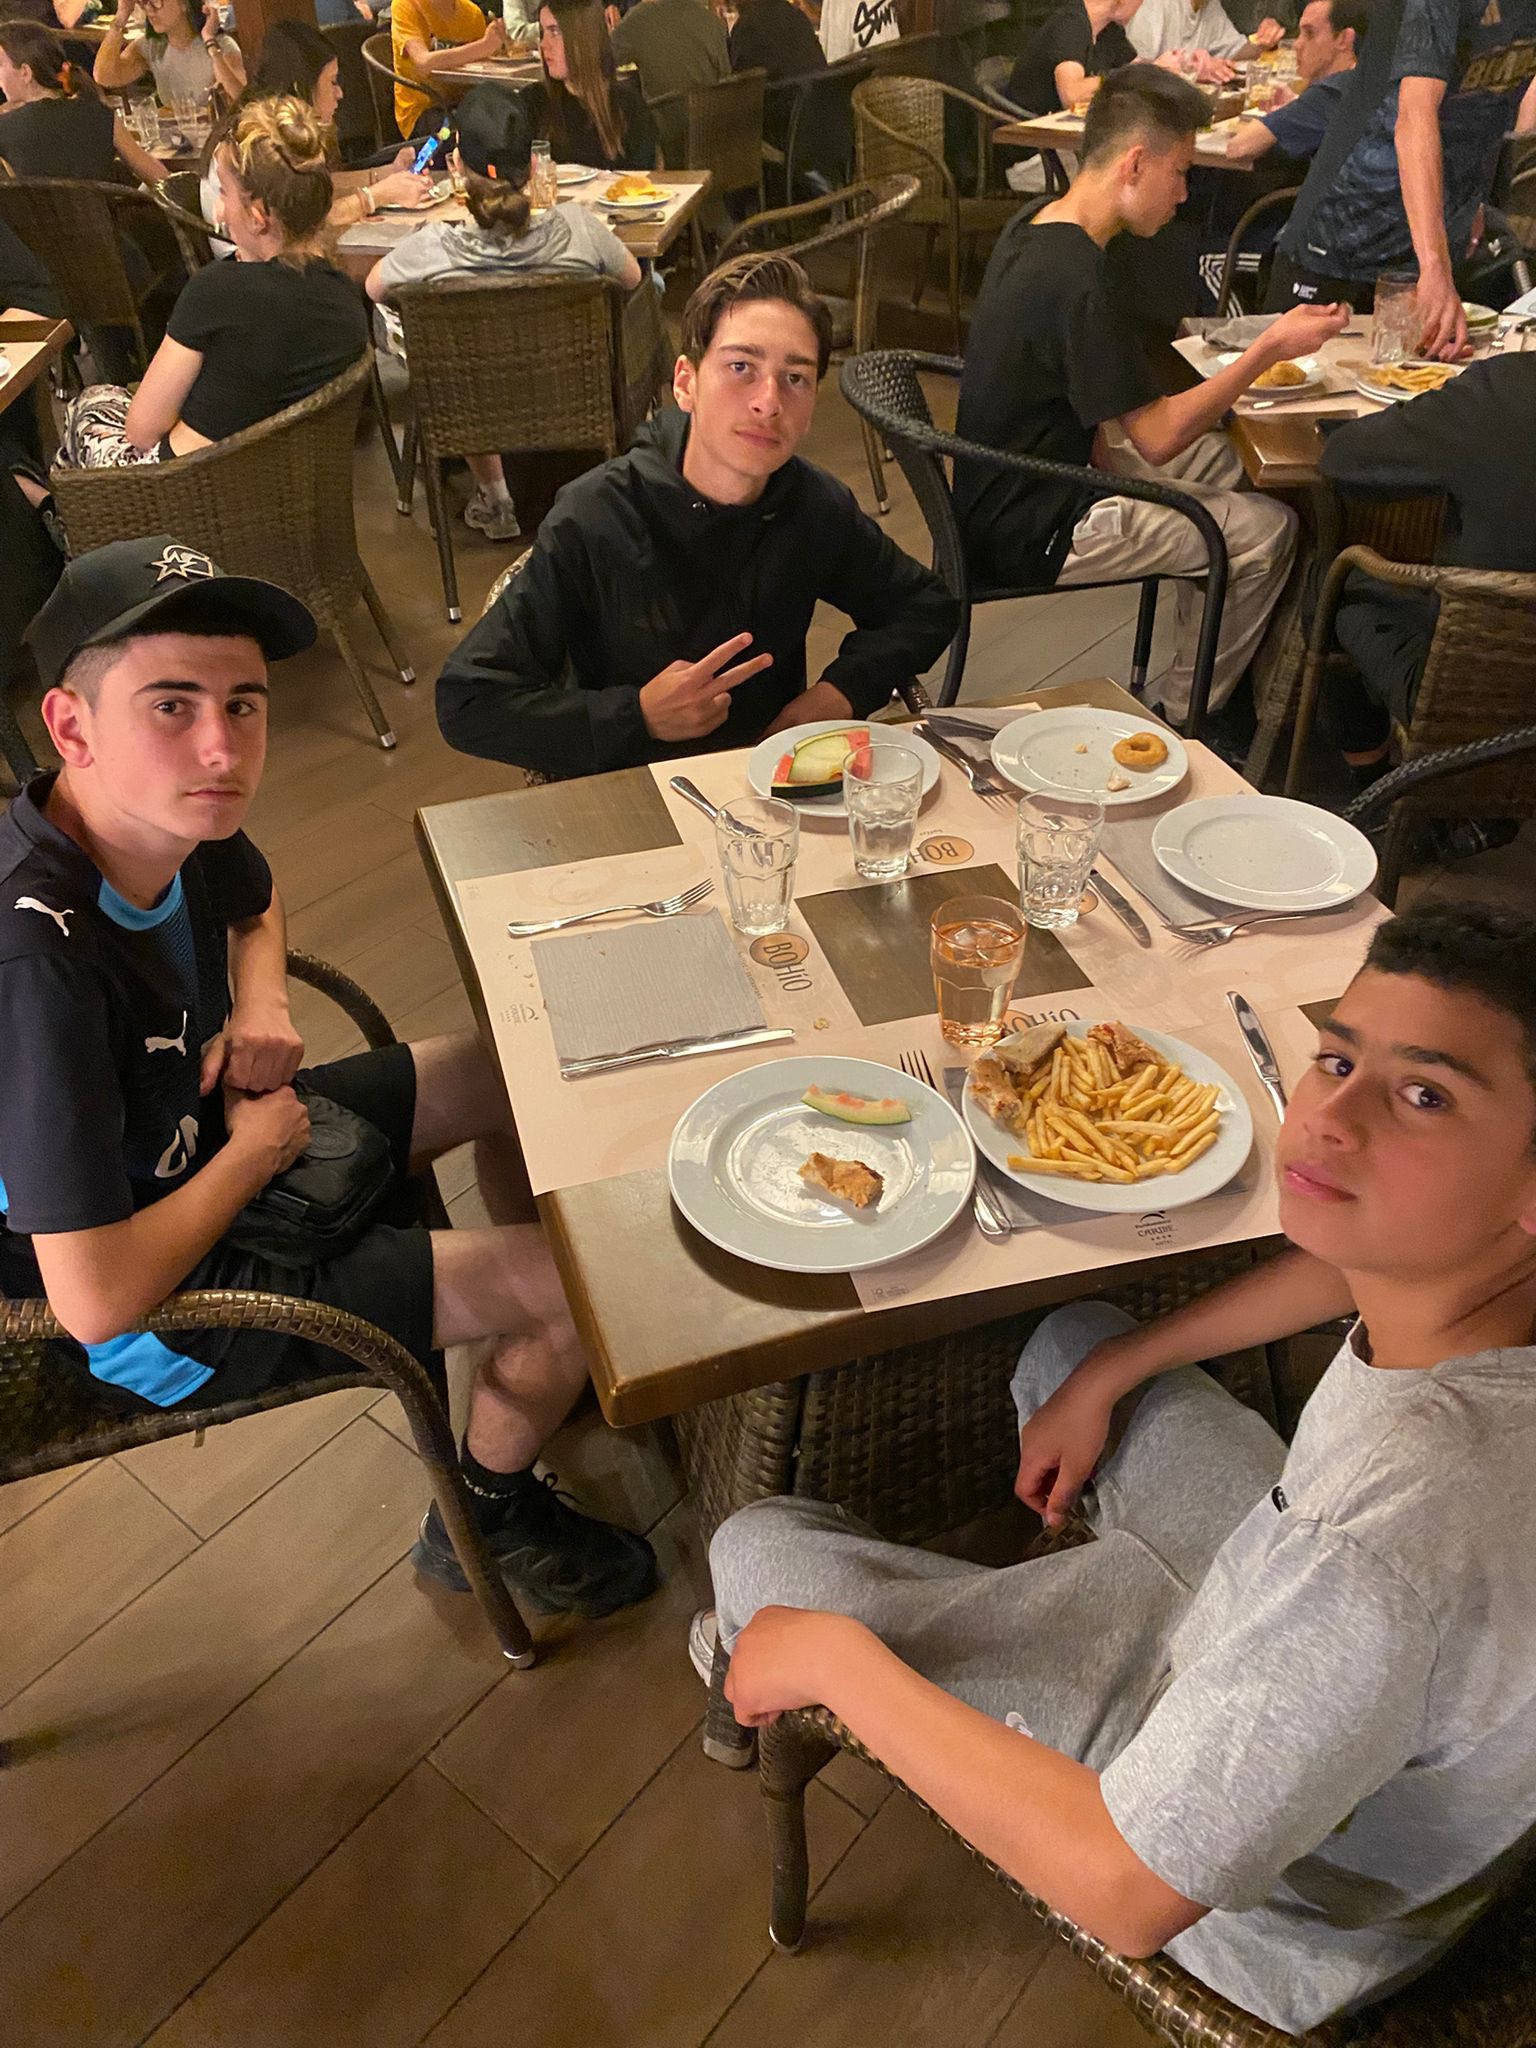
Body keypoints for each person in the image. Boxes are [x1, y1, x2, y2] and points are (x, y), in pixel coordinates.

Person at [707, 897, 1536, 2038]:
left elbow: (1127, 1890)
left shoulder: (1384, 1551)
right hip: (1288, 1633)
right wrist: (1113, 1374)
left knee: (756, 1551)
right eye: (1340, 1059)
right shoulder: (1478, 1283)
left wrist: (840, 1665)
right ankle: (1062, 1545)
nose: (1329, 1118)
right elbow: (1346, 1270)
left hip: (1256, 1892)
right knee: (1082, 1343)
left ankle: (773, 1660)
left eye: (1425, 1095)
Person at [0, 534, 659, 1621]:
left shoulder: (160, 813)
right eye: (171, 706)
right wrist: (253, 1155)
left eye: (243, 704)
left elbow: (256, 901)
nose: (222, 746)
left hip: (213, 1140)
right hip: (157, 1301)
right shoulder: (37, 968)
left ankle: (533, 1342)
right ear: (71, 727)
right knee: (578, 1279)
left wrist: (262, 1001)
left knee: (510, 1070)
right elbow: (94, 1299)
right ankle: (484, 1513)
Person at [436, 252, 957, 778]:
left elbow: (924, 606)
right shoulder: (596, 515)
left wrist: (839, 693)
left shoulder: (813, 505)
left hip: (767, 785)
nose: (769, 402)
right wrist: (638, 715)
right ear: (685, 383)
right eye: (741, 367)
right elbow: (468, 702)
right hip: (628, 785)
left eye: (795, 377)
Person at [955, 65, 1345, 725]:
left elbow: (1092, 412)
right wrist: (1267, 349)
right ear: (1135, 163)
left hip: (1019, 481)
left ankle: (1223, 666)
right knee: (1267, 532)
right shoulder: (1079, 278)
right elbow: (1158, 438)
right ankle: (1185, 716)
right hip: (1034, 523)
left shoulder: (1035, 225)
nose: (1184, 194)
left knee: (1232, 462)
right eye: (1181, 172)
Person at [366, 85, 642, 542]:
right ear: (533, 166)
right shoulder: (581, 230)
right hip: (573, 399)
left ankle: (495, 497)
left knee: (424, 340)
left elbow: (374, 288)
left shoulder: (430, 250)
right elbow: (632, 281)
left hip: (474, 407)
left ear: (457, 167)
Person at [60, 96, 368, 468]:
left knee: (87, 406)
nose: (219, 212)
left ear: (258, 217)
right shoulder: (345, 295)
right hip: (288, 481)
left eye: (223, 192)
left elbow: (142, 432)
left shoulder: (217, 290)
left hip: (186, 485)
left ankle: (59, 504)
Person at [1312, 350, 1536, 781]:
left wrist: (1435, 412)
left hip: (1474, 696)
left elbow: (1343, 460)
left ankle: (1373, 784)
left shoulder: (1503, 390)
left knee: (1328, 580)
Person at [1265, 0, 1536, 356]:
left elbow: (1495, 107)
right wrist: (1434, 266)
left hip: (1432, 236)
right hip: (1346, 233)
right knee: (1302, 383)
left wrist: (1473, 199)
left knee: (1420, 384)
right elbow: (1414, 116)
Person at [196, 19, 432, 246]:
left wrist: (385, 174)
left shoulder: (269, 123)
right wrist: (377, 195)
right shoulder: (260, 140)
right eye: (332, 82)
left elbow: (313, 186)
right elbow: (303, 227)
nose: (340, 93)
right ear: (301, 86)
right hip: (249, 260)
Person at [0, 18, 167, 183]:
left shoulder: (6, 128)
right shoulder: (101, 114)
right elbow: (159, 178)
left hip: (35, 203)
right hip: (102, 202)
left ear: (25, 72)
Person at [1225, 0, 1364, 159]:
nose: (1297, 44)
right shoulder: (1364, 82)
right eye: (1299, 33)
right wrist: (1296, 104)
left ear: (1344, 39)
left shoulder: (1330, 94)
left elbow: (1238, 148)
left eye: (1309, 34)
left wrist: (1291, 112)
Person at [537, 0, 657, 171]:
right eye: (542, 33)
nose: (543, 44)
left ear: (584, 37)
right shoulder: (535, 103)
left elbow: (642, 180)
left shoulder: (629, 108)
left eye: (554, 32)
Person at [1009, 0, 1160, 115]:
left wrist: (1159, 70)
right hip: (1033, 137)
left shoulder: (1109, 31)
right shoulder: (1070, 24)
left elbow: (1135, 70)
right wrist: (1125, 77)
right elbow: (1072, 96)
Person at [93, 0, 246, 111]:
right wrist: (121, 16)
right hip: (174, 138)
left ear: (184, 4)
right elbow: (104, 76)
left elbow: (241, 99)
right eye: (144, 2)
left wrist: (209, 40)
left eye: (156, 1)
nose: (149, 9)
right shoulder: (152, 45)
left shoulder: (221, 45)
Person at [391, 0, 508, 139]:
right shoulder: (406, 5)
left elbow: (485, 65)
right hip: (424, 112)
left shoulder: (472, 13)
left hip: (465, 105)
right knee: (479, 135)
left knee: (508, 121)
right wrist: (484, 46)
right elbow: (423, 63)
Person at [1125, 0, 1285, 83]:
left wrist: (1261, 41)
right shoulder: (1154, 5)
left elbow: (1234, 54)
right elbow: (1133, 69)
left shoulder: (1209, 5)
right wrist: (1191, 67)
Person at [728, 0, 825, 85]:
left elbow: (742, 91)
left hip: (783, 98)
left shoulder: (747, 27)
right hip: (818, 96)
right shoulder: (796, 15)